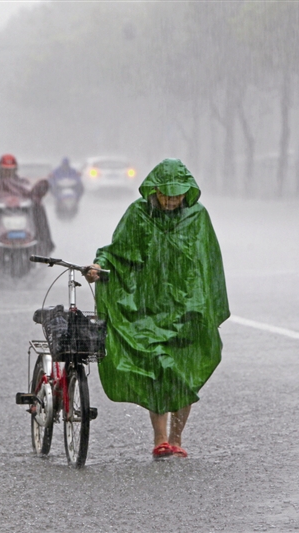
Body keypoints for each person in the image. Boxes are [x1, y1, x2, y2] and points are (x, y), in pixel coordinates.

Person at [83, 158, 229, 459]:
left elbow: (210, 262)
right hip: (148, 306)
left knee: (184, 372)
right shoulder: (138, 215)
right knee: (158, 369)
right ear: (155, 191)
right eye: (167, 194)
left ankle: (177, 438)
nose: (172, 201)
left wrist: (210, 304)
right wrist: (100, 266)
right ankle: (160, 438)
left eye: (177, 195)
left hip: (189, 306)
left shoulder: (198, 217)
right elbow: (118, 251)